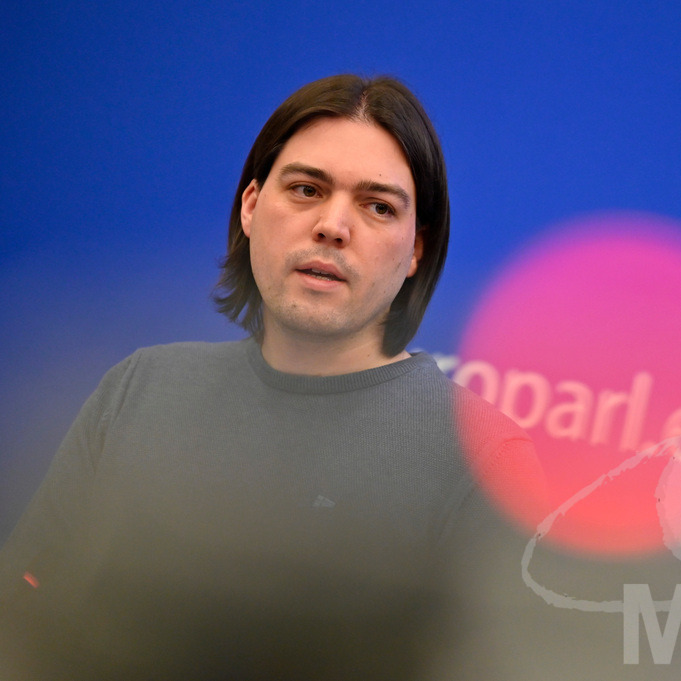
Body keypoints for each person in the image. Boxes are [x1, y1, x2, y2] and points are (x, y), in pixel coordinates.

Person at [0, 74, 543, 680]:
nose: (334, 225)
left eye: (378, 206)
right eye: (307, 189)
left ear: (415, 250)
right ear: (251, 206)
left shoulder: (484, 457)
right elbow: (21, 614)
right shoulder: (138, 389)